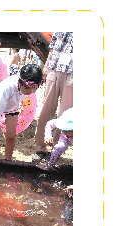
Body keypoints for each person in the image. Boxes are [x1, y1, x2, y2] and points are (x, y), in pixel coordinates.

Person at [0, 64, 43, 160]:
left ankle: (8, 161)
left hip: (12, 107)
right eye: (27, 88)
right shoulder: (7, 88)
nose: (30, 92)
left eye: (34, 88)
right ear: (20, 82)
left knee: (11, 136)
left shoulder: (28, 89)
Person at [34, 32, 73, 160]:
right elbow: (53, 46)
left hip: (73, 72)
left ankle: (56, 146)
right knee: (47, 108)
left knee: (65, 113)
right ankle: (42, 145)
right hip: (54, 66)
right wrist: (46, 66)